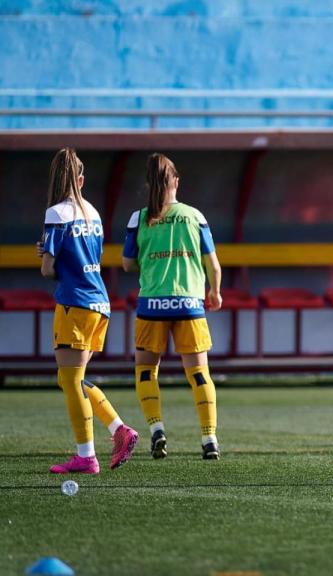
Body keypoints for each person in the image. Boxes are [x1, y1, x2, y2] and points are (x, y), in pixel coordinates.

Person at [40, 148, 138, 474]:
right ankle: (119, 430)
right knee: (74, 379)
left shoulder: (56, 213)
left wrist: (44, 253)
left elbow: (48, 269)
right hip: (99, 302)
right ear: (80, 179)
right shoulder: (92, 212)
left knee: (70, 379)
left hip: (74, 302)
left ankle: (87, 456)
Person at [122, 153, 223, 459]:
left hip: (152, 304)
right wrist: (215, 292)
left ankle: (157, 430)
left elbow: (127, 263)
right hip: (189, 303)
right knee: (199, 374)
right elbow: (214, 266)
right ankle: (209, 440)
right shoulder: (195, 216)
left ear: (149, 184)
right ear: (176, 182)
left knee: (145, 372)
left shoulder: (138, 218)